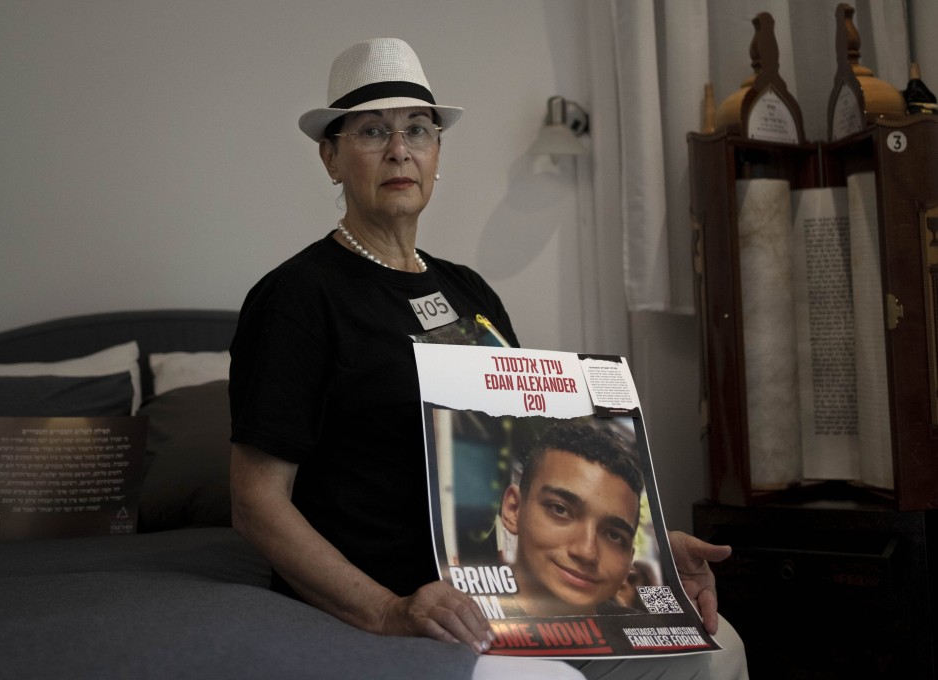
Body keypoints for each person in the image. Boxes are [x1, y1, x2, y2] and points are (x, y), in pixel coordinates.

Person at [229, 37, 747, 679]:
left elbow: (534, 449)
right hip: (398, 610)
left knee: (718, 649)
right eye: (372, 132)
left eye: (417, 129)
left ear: (437, 153)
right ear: (331, 157)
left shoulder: (469, 291)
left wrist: (643, 556)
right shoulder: (296, 298)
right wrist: (388, 609)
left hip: (510, 596)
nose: (399, 149)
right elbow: (256, 504)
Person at [499, 423, 644, 617]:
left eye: (613, 535)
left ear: (630, 558)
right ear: (513, 509)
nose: (586, 552)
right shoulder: (459, 618)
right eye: (560, 510)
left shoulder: (640, 632)